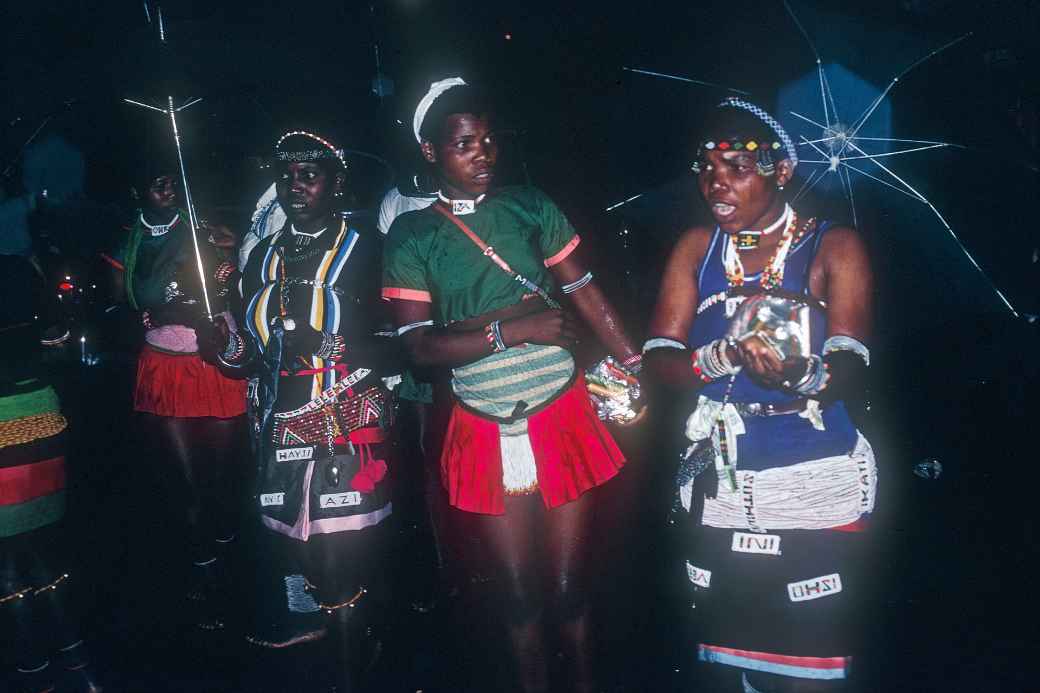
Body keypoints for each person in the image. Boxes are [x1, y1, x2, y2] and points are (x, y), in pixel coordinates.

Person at [383, 78, 641, 693]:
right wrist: (514, 330)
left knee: (569, 589)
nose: (482, 154)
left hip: (562, 411)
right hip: (482, 421)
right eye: (464, 144)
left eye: (489, 140)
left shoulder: (529, 204)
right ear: (430, 153)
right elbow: (419, 348)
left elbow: (581, 288)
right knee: (519, 597)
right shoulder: (412, 235)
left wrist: (633, 359)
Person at [644, 98, 877, 692]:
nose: (715, 182)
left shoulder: (834, 246)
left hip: (813, 474)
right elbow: (660, 360)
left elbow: (851, 363)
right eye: (706, 167)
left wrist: (800, 377)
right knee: (728, 660)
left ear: (781, 170)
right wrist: (721, 355)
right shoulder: (697, 248)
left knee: (809, 665)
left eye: (736, 167)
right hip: (722, 479)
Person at [200, 130, 398, 689]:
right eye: (286, 175)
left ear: (337, 184)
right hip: (275, 424)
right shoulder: (260, 256)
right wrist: (224, 344)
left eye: (309, 174)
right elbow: (247, 356)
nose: (295, 185)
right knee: (299, 549)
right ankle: (343, 632)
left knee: (340, 554)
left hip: (344, 417)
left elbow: (406, 340)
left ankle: (352, 662)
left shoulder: (368, 250)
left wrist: (335, 346)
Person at [103, 162, 247, 631]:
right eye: (155, 179)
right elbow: (122, 306)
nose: (167, 186)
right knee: (187, 482)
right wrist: (156, 312)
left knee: (221, 478)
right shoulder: (128, 243)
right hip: (165, 367)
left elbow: (240, 281)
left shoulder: (205, 227)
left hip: (217, 363)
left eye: (173, 178)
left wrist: (234, 253)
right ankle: (206, 572)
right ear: (136, 189)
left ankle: (231, 558)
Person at [1, 246, 101, 693]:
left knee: (6, 562)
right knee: (40, 551)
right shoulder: (21, 265)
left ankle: (33, 668)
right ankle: (78, 662)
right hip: (42, 421)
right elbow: (61, 342)